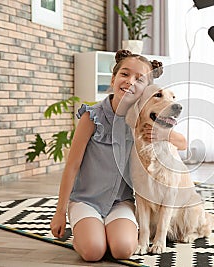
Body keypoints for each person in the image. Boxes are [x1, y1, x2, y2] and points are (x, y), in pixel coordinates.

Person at [50, 50, 187, 261]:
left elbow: (182, 143)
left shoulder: (143, 119)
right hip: (87, 201)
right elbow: (72, 165)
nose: (130, 82)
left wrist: (162, 133)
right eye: (124, 74)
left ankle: (105, 230)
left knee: (122, 250)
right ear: (114, 79)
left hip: (120, 202)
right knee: (93, 251)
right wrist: (59, 212)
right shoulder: (91, 116)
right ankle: (86, 232)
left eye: (139, 79)